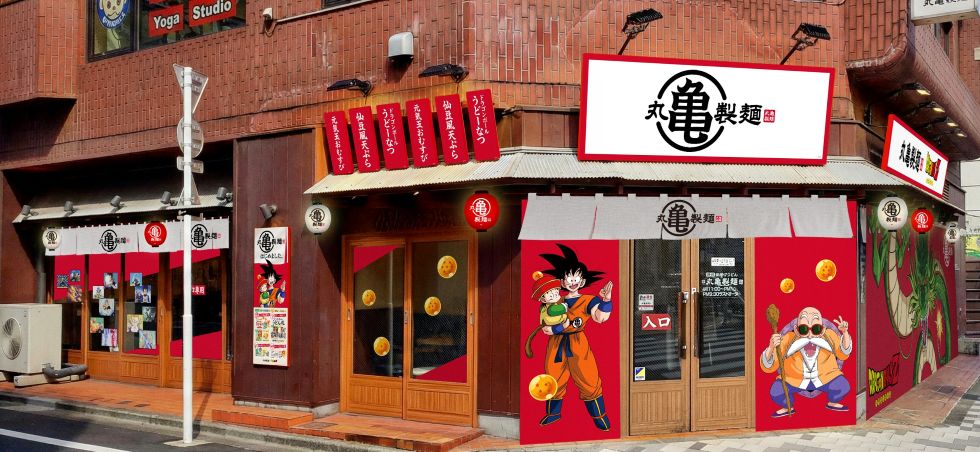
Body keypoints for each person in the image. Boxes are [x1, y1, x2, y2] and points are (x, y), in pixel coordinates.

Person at [535, 244, 613, 430]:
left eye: (576, 278)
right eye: (569, 278)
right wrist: (557, 328)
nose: (572, 282)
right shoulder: (555, 301)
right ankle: (553, 414)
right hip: (556, 344)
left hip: (578, 343)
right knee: (553, 378)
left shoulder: (588, 300)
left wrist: (606, 300)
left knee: (589, 378)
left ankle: (599, 416)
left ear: (582, 281)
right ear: (562, 282)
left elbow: (600, 318)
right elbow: (546, 328)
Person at [761, 306, 852, 417]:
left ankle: (832, 402)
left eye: (816, 329)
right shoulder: (787, 339)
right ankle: (787, 406)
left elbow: (843, 354)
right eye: (803, 329)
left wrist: (845, 333)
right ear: (796, 329)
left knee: (843, 386)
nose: (810, 335)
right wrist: (771, 347)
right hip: (794, 379)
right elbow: (770, 367)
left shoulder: (829, 336)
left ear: (823, 329)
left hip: (825, 378)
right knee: (776, 391)